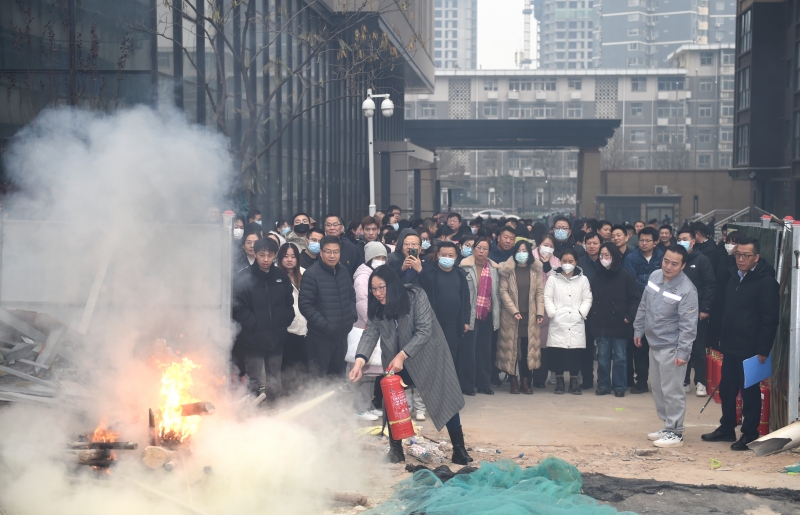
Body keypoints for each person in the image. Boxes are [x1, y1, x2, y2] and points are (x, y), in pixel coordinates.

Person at [350, 265, 472, 465]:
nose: (378, 293)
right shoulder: (377, 306)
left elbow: (424, 330)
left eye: (382, 287)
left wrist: (402, 355)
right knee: (391, 400)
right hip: (396, 361)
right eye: (374, 289)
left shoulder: (415, 295)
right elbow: (370, 333)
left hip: (427, 355)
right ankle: (395, 450)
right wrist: (359, 362)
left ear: (393, 285)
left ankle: (459, 449)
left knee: (445, 397)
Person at [702, 236, 779, 451]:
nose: (741, 259)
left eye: (746, 255)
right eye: (738, 255)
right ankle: (727, 427)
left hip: (752, 348)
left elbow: (770, 319)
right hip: (730, 344)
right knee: (727, 389)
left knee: (749, 393)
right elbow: (726, 310)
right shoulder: (734, 277)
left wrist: (763, 349)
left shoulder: (766, 282)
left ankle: (750, 433)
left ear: (757, 257)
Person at [633, 244, 698, 448]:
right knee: (658, 388)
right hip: (654, 343)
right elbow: (644, 305)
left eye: (674, 264)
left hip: (672, 347)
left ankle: (675, 432)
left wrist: (683, 352)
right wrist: (638, 329)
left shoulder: (687, 290)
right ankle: (667, 425)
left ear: (683, 265)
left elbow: (688, 326)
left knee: (672, 391)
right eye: (666, 261)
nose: (668, 267)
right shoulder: (654, 276)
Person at [232, 238, 295, 398]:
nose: (266, 259)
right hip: (253, 339)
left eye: (270, 255)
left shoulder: (281, 276)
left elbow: (289, 302)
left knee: (274, 378)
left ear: (275, 255)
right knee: (253, 378)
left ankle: (274, 406)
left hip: (276, 338)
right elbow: (237, 307)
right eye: (262, 255)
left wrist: (284, 319)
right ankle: (251, 408)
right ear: (255, 254)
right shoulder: (245, 277)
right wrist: (253, 323)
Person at [298, 236, 357, 377]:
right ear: (321, 252)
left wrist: (351, 316)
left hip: (341, 335)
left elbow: (351, 295)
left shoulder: (343, 271)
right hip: (320, 338)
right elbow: (305, 305)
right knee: (318, 379)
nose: (332, 255)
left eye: (336, 252)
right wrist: (324, 325)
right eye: (328, 251)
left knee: (337, 378)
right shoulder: (311, 274)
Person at [418, 242, 472, 392]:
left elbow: (465, 299)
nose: (446, 258)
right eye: (443, 255)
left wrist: (466, 320)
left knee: (451, 356)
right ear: (437, 255)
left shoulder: (460, 274)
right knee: (433, 357)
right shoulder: (430, 272)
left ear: (455, 257)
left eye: (450, 255)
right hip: (433, 323)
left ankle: (447, 389)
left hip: (453, 324)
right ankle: (431, 389)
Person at [590, 243, 639, 397]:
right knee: (602, 357)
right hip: (602, 323)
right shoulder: (597, 276)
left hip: (620, 323)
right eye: (602, 255)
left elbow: (635, 298)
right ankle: (603, 385)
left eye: (607, 255)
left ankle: (619, 385)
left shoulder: (625, 276)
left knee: (620, 357)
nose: (604, 258)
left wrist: (629, 316)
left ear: (615, 257)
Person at [497, 240, 544, 394]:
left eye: (525, 251)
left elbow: (539, 292)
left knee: (526, 350)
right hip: (511, 317)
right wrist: (514, 310)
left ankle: (525, 381)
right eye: (519, 250)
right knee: (512, 350)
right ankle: (513, 380)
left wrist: (540, 312)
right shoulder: (507, 270)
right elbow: (503, 292)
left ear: (529, 253)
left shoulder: (535, 270)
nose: (522, 254)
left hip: (530, 317)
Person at [544, 249, 592, 395]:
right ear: (560, 262)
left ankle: (574, 382)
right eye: (564, 261)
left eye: (570, 261)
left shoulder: (583, 279)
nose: (567, 264)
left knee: (575, 354)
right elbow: (547, 297)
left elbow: (587, 298)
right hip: (558, 320)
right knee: (558, 352)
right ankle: (559, 383)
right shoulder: (553, 279)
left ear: (576, 262)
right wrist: (553, 313)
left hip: (576, 320)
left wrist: (581, 313)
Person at [676, 226, 716, 397]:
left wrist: (705, 308)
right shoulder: (675, 259)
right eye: (679, 239)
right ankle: (684, 381)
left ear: (693, 241)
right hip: (678, 312)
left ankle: (700, 382)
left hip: (697, 311)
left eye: (684, 239)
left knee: (698, 348)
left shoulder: (702, 260)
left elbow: (710, 285)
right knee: (681, 347)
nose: (681, 242)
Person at [624, 226, 663, 394]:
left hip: (661, 307)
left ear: (656, 242)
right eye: (641, 240)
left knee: (659, 347)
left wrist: (647, 283)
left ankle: (659, 383)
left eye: (648, 240)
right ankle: (641, 381)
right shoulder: (631, 258)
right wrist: (651, 285)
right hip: (639, 306)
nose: (644, 243)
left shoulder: (663, 257)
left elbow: (665, 279)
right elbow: (631, 281)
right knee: (639, 345)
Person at [351, 242, 387, 421]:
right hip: (364, 327)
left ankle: (368, 404)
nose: (380, 260)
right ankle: (360, 407)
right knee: (363, 370)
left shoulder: (376, 274)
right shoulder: (363, 277)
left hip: (374, 326)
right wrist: (374, 323)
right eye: (376, 257)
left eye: (383, 258)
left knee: (373, 370)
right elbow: (362, 303)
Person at [459, 237, 501, 395]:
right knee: (469, 351)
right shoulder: (464, 266)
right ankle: (467, 385)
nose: (481, 251)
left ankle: (484, 384)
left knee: (484, 351)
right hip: (470, 314)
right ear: (473, 249)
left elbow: (496, 293)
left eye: (485, 248)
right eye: (478, 247)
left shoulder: (494, 268)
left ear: (489, 251)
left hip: (487, 314)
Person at [531, 234, 561, 388]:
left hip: (548, 308)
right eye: (545, 245)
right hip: (530, 305)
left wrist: (547, 266)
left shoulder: (556, 262)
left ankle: (539, 378)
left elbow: (558, 282)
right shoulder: (530, 257)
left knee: (543, 345)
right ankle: (525, 377)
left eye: (551, 246)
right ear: (539, 244)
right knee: (529, 342)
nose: (547, 248)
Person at [276, 243, 308, 383]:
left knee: (303, 370)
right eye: (286, 256)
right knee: (286, 370)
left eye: (293, 256)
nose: (289, 259)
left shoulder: (305, 273)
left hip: (305, 328)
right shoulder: (275, 274)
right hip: (286, 330)